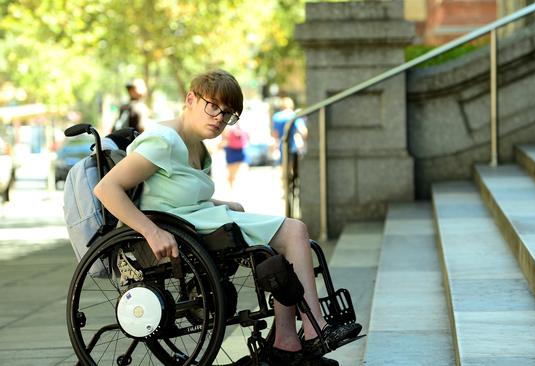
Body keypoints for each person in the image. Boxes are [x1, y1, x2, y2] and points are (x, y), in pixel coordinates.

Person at [93, 69, 361, 365]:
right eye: (213, 107)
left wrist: (221, 202)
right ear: (190, 99)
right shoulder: (163, 140)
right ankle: (314, 330)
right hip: (178, 230)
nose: (219, 117)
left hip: (198, 219)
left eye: (228, 114)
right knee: (294, 231)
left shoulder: (195, 143)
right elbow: (107, 189)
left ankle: (287, 342)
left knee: (278, 249)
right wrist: (151, 231)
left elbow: (176, 191)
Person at [271, 97, 308, 165]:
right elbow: (303, 131)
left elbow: (275, 134)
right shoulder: (294, 115)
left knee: (282, 167)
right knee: (292, 168)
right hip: (293, 146)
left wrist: (274, 146)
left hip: (281, 145)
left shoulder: (276, 117)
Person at [219, 122, 249, 188]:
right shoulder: (228, 125)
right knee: (232, 172)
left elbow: (247, 136)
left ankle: (234, 185)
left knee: (240, 169)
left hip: (240, 149)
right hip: (231, 150)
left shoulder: (241, 125)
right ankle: (231, 187)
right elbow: (224, 137)